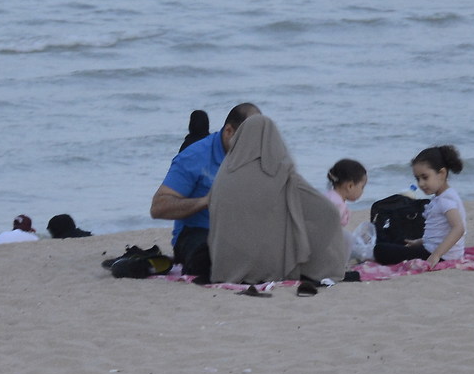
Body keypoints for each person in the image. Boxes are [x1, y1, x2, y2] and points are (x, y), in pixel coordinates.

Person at [208, 112, 346, 292]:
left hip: (224, 266)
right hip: (268, 268)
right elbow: (327, 211)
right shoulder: (279, 172)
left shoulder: (224, 173)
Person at [150, 101, 256, 282]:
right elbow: (158, 207)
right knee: (211, 257)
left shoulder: (257, 155)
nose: (253, 145)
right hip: (197, 234)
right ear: (229, 131)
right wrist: (205, 201)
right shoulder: (194, 157)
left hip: (239, 231)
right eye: (247, 138)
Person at [412, 146, 468, 265]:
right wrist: (420, 241)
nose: (421, 184)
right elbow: (439, 232)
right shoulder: (442, 197)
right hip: (436, 251)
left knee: (381, 249)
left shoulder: (445, 200)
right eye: (417, 179)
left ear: (441, 173)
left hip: (442, 255)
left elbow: (459, 228)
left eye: (425, 177)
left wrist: (436, 255)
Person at [325, 158, 371, 273]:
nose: (362, 191)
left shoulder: (329, 195)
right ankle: (340, 267)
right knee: (348, 238)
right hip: (323, 243)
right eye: (362, 187)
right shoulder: (338, 204)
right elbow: (330, 230)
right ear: (350, 186)